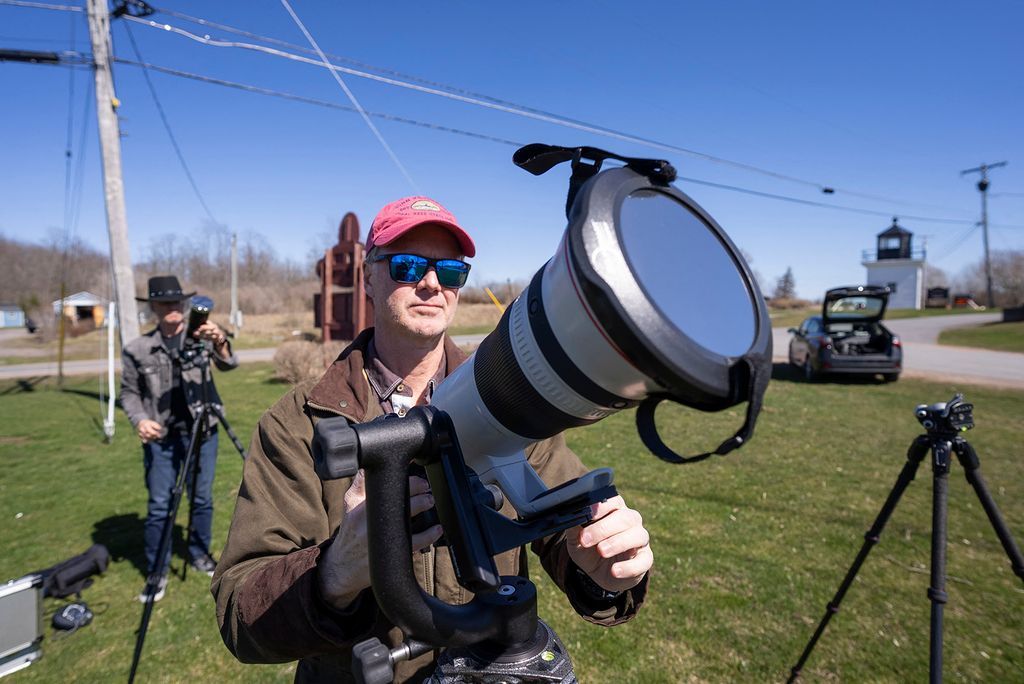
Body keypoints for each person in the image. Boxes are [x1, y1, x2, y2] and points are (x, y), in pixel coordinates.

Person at [212, 197, 653, 682]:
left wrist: (606, 571)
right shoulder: (299, 422)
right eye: (406, 265)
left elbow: (564, 527)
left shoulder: (512, 399)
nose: (431, 284)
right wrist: (336, 571)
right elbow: (240, 611)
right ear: (369, 277)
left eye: (450, 271)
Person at [121, 275, 239, 603]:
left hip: (203, 433)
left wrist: (219, 341)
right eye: (165, 303)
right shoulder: (138, 349)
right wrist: (140, 419)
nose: (173, 308)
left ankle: (200, 553)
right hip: (162, 438)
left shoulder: (199, 336)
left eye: (177, 302)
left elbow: (230, 364)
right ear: (154, 309)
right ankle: (156, 570)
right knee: (161, 505)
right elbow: (129, 393)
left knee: (201, 498)